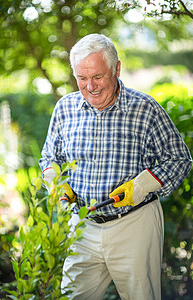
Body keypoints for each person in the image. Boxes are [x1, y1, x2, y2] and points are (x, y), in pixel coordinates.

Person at [39, 33, 192, 300]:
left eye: (98, 77)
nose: (90, 87)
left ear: (116, 68)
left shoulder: (145, 109)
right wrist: (58, 185)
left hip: (134, 224)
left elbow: (180, 159)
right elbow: (48, 159)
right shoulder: (65, 108)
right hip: (82, 226)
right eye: (82, 78)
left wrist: (142, 185)